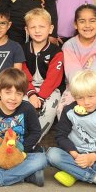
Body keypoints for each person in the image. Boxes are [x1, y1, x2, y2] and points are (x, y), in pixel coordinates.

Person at [0, 68, 48, 189]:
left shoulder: (28, 108)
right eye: (8, 92)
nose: (13, 98)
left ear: (23, 95)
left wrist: (22, 150)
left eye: (18, 94)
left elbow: (36, 132)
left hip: (21, 155)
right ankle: (27, 176)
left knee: (42, 159)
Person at [58, 4, 96, 119]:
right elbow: (73, 74)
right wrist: (81, 94)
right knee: (65, 106)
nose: (87, 25)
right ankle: (70, 135)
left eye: (92, 21)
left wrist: (90, 93)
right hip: (75, 86)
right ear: (75, 24)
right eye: (82, 21)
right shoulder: (69, 46)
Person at [22, 8, 64, 141]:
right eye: (33, 27)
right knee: (20, 104)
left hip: (50, 90)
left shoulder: (57, 52)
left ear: (50, 29)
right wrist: (31, 94)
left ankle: (33, 141)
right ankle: (17, 138)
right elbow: (22, 73)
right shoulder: (22, 50)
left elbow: (53, 79)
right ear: (27, 30)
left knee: (50, 109)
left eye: (42, 26)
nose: (37, 30)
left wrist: (40, 98)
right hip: (27, 88)